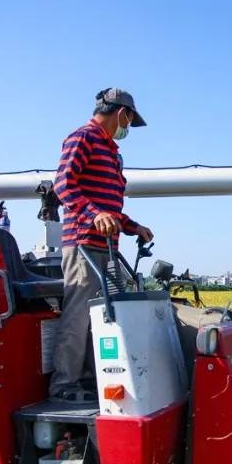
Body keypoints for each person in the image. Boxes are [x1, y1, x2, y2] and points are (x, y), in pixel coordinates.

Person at [49, 88, 153, 403]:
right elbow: (63, 184)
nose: (128, 127)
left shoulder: (111, 151)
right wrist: (94, 215)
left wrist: (133, 227)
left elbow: (109, 207)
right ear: (122, 113)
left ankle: (96, 379)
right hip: (83, 244)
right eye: (129, 120)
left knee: (107, 316)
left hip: (107, 247)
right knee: (79, 316)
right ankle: (64, 384)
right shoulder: (83, 138)